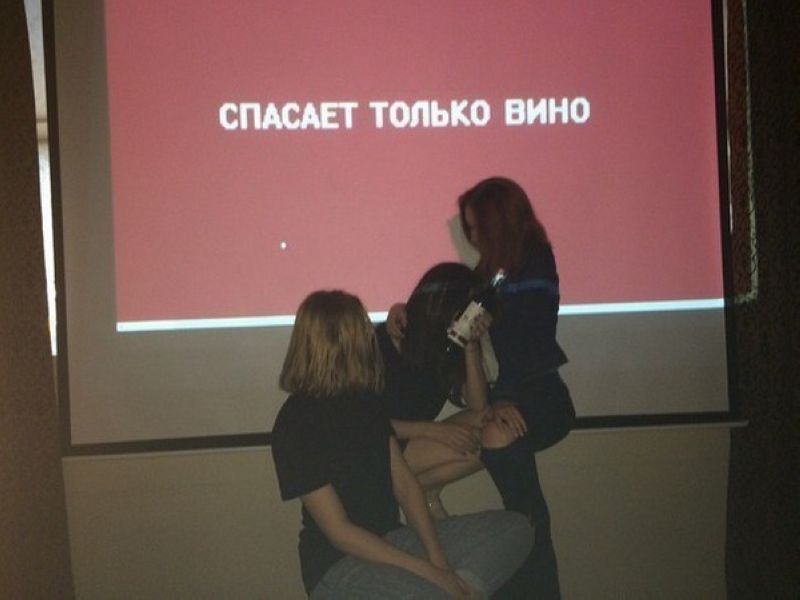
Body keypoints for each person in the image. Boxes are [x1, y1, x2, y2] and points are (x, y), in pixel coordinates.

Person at [271, 290, 533, 599]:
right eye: (362, 327)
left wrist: (440, 565)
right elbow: (341, 533)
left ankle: (462, 592)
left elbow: (407, 487)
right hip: (339, 566)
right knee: (431, 590)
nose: (371, 334)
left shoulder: (364, 400)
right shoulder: (296, 422)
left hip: (393, 541)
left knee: (516, 529)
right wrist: (431, 574)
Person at [388, 176, 575, 598]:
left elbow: (530, 344)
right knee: (484, 449)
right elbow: (444, 314)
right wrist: (405, 309)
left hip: (538, 395)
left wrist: (503, 396)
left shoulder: (533, 264)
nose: (471, 237)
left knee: (508, 471)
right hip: (505, 400)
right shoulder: (489, 275)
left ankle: (535, 583)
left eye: (475, 227)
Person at [376, 263, 492, 520]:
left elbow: (478, 405)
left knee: (494, 426)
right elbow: (364, 423)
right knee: (487, 444)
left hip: (412, 439)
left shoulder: (445, 346)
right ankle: (411, 491)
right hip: (380, 446)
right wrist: (433, 431)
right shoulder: (388, 339)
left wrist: (471, 344)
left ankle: (421, 490)